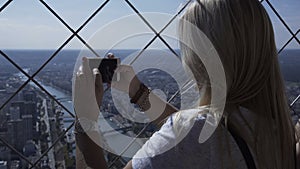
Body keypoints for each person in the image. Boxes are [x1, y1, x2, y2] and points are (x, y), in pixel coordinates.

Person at [74, 0, 299, 168]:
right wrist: (136, 91)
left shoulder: (193, 132)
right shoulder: (281, 130)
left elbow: (189, 136)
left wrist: (85, 119)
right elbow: (195, 137)